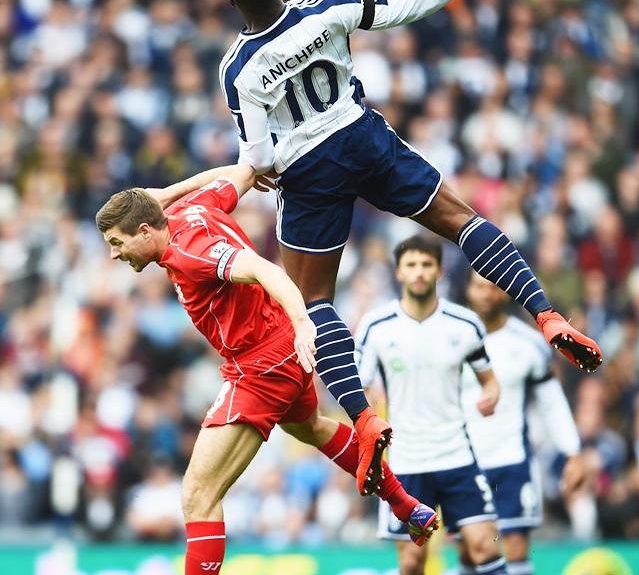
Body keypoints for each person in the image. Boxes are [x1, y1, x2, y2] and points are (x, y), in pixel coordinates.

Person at [219, 0, 602, 495]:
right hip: (360, 138)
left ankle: (363, 416)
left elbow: (257, 154)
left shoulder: (238, 69)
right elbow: (410, 4)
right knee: (462, 221)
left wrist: (258, 176)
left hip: (307, 173)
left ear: (231, 2)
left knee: (313, 299)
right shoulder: (326, 8)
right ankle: (545, 313)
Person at [95, 165, 438, 575]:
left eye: (118, 242)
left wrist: (303, 323)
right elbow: (242, 171)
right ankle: (408, 507)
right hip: (275, 352)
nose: (115, 254)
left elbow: (264, 269)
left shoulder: (190, 253)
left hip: (261, 364)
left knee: (197, 493)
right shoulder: (194, 205)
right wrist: (168, 191)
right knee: (308, 426)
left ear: (146, 232)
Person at [355, 235, 507, 575]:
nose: (419, 272)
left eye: (426, 264)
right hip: (406, 461)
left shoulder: (465, 325)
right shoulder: (376, 327)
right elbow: (359, 389)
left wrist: (492, 394)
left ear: (439, 271)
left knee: (483, 546)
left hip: (456, 455)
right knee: (412, 563)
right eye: (412, 265)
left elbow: (489, 378)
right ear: (399, 272)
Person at [460, 273, 585, 575]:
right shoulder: (453, 337)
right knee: (469, 552)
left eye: (493, 286)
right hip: (464, 462)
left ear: (504, 293)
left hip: (512, 461)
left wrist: (572, 452)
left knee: (515, 548)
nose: (486, 294)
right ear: (468, 291)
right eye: (479, 286)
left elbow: (551, 400)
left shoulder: (529, 343)